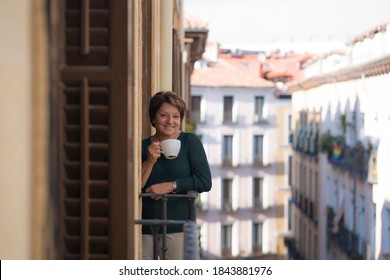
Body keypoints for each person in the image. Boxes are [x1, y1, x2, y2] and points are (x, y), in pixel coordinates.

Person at [141, 91, 212, 260]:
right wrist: (150, 161)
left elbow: (204, 181)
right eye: (164, 115)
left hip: (178, 227)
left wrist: (170, 186)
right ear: (153, 119)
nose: (170, 121)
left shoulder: (190, 142)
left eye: (175, 116)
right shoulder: (143, 146)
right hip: (144, 226)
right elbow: (134, 186)